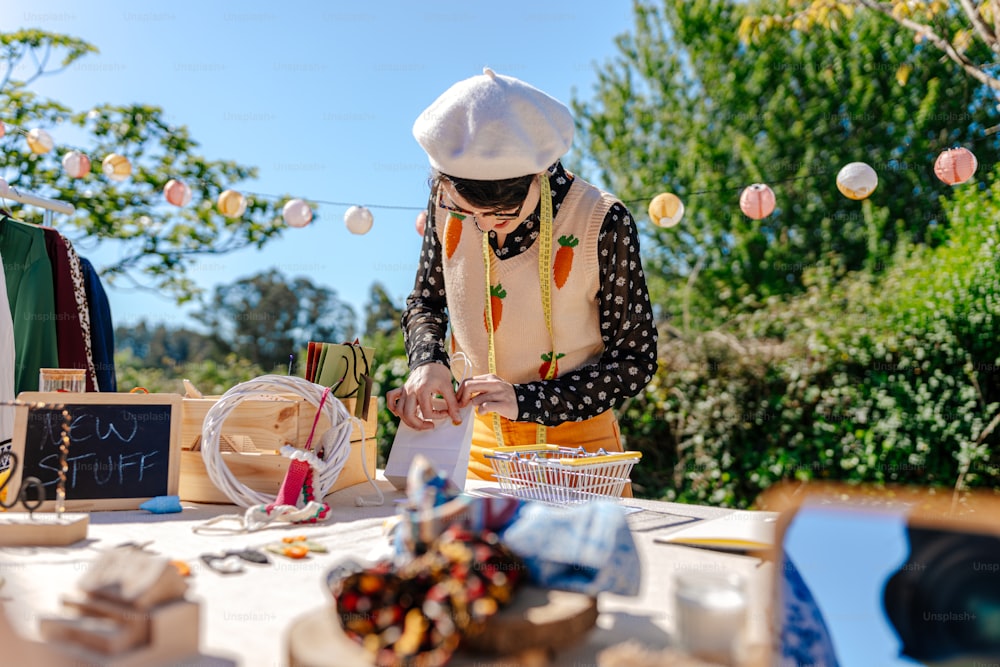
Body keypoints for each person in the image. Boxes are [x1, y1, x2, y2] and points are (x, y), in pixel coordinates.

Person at [388, 67, 657, 481]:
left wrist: (528, 401)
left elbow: (634, 361)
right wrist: (428, 360)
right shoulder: (445, 201)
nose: (483, 227)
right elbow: (426, 301)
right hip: (471, 443)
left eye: (500, 214)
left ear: (539, 178)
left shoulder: (603, 220)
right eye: (466, 213)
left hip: (576, 450)